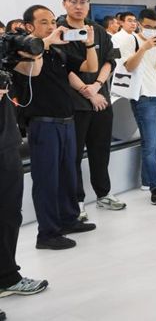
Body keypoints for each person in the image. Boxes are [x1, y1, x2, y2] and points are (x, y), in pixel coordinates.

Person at [14, 4, 98, 250]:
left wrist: (90, 44)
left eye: (52, 22)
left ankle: (69, 219)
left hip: (66, 122)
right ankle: (47, 233)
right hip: (43, 124)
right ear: (29, 26)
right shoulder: (23, 52)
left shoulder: (58, 53)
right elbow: (34, 70)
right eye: (44, 22)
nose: (51, 26)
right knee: (46, 179)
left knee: (67, 175)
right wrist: (46, 43)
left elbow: (90, 68)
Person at [58, 0, 125, 221]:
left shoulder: (97, 29)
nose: (78, 6)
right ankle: (76, 202)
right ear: (64, 3)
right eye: (73, 1)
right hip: (74, 105)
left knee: (100, 150)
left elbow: (110, 60)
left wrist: (97, 86)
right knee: (73, 155)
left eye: (83, 2)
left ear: (89, 4)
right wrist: (88, 93)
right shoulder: (58, 31)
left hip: (101, 101)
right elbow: (63, 68)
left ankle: (103, 193)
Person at [0, 24, 50, 301]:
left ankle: (7, 277)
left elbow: (34, 71)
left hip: (6, 142)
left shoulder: (4, 52)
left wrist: (33, 48)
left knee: (9, 213)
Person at [118, 9, 156, 205]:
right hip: (143, 97)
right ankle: (154, 186)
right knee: (150, 144)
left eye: (155, 27)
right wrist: (143, 48)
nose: (152, 30)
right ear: (140, 24)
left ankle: (148, 179)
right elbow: (129, 66)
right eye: (148, 26)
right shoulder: (130, 40)